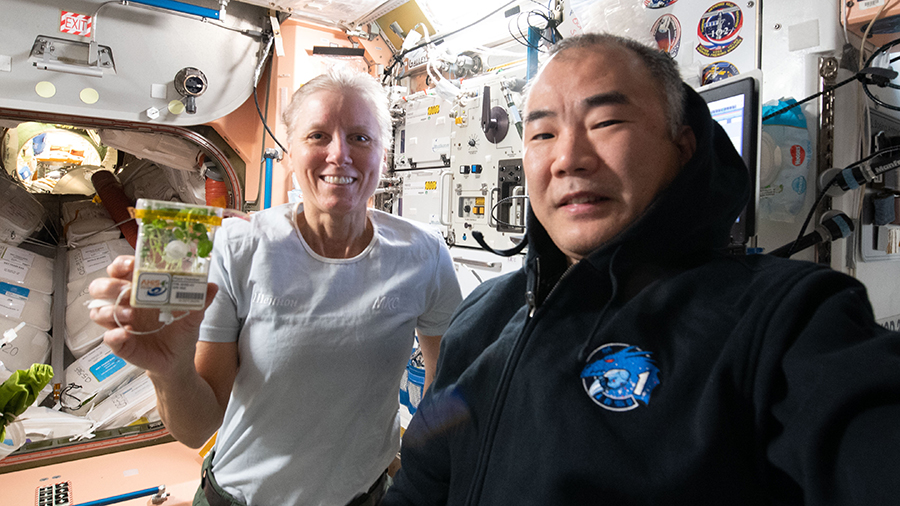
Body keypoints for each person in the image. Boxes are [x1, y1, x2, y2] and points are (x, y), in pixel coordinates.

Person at [382, 33, 900, 505]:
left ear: (683, 146)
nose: (568, 158)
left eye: (605, 122)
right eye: (542, 134)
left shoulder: (783, 322)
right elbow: (422, 482)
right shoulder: (484, 317)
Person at [89, 66, 462, 506]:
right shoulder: (237, 245)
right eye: (318, 135)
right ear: (288, 153)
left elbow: (448, 387)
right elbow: (196, 429)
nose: (339, 153)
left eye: (361, 137)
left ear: (385, 154)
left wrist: (414, 466)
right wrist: (169, 370)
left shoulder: (424, 254)